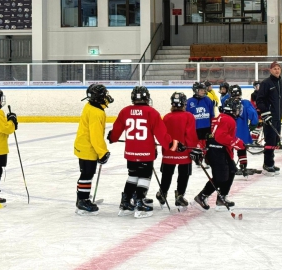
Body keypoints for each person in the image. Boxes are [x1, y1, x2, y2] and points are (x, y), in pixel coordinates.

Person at [108, 86, 186, 218]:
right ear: (147, 98)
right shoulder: (152, 112)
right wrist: (174, 145)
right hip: (145, 153)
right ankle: (139, 203)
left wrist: (112, 137)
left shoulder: (125, 111)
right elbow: (162, 136)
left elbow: (115, 132)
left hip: (131, 153)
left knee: (132, 176)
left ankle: (126, 203)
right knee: (144, 177)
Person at [194, 97, 245, 211]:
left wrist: (236, 142)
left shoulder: (222, 117)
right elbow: (221, 136)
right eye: (237, 108)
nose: (238, 111)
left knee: (231, 170)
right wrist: (236, 142)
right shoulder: (228, 119)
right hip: (216, 151)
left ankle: (222, 197)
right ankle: (202, 196)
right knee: (220, 177)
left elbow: (220, 135)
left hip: (218, 150)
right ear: (232, 109)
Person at [73, 84, 113, 215]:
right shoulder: (97, 112)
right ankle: (83, 201)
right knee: (87, 175)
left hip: (83, 146)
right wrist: (103, 152)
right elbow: (95, 135)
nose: (106, 96)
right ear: (98, 97)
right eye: (103, 94)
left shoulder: (89, 106)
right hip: (88, 148)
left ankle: (81, 197)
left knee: (85, 173)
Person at [156, 92, 198, 210]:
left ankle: (162, 193)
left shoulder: (167, 117)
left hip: (169, 151)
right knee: (184, 174)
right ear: (184, 103)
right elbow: (191, 135)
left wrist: (165, 150)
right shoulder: (188, 116)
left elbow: (163, 136)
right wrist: (192, 149)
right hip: (184, 152)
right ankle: (180, 195)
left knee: (167, 173)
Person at [256, 61, 282, 176]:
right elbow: (259, 100)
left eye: (278, 68)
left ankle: (271, 162)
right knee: (270, 141)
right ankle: (267, 164)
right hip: (269, 118)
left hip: (277, 118)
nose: (277, 70)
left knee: (275, 141)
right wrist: (266, 113)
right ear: (270, 70)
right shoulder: (266, 83)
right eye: (274, 68)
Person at [229, 84, 259, 176]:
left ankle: (231, 166)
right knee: (241, 149)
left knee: (229, 150)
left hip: (230, 132)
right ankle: (243, 166)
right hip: (242, 132)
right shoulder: (245, 103)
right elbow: (253, 115)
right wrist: (253, 124)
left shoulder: (226, 102)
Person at [186, 82, 215, 168]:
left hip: (207, 127)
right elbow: (187, 116)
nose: (203, 92)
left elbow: (212, 114)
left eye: (204, 90)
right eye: (201, 90)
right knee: (197, 144)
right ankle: (198, 158)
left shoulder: (208, 100)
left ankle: (207, 159)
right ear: (195, 91)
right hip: (196, 127)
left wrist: (212, 126)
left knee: (207, 144)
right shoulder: (190, 101)